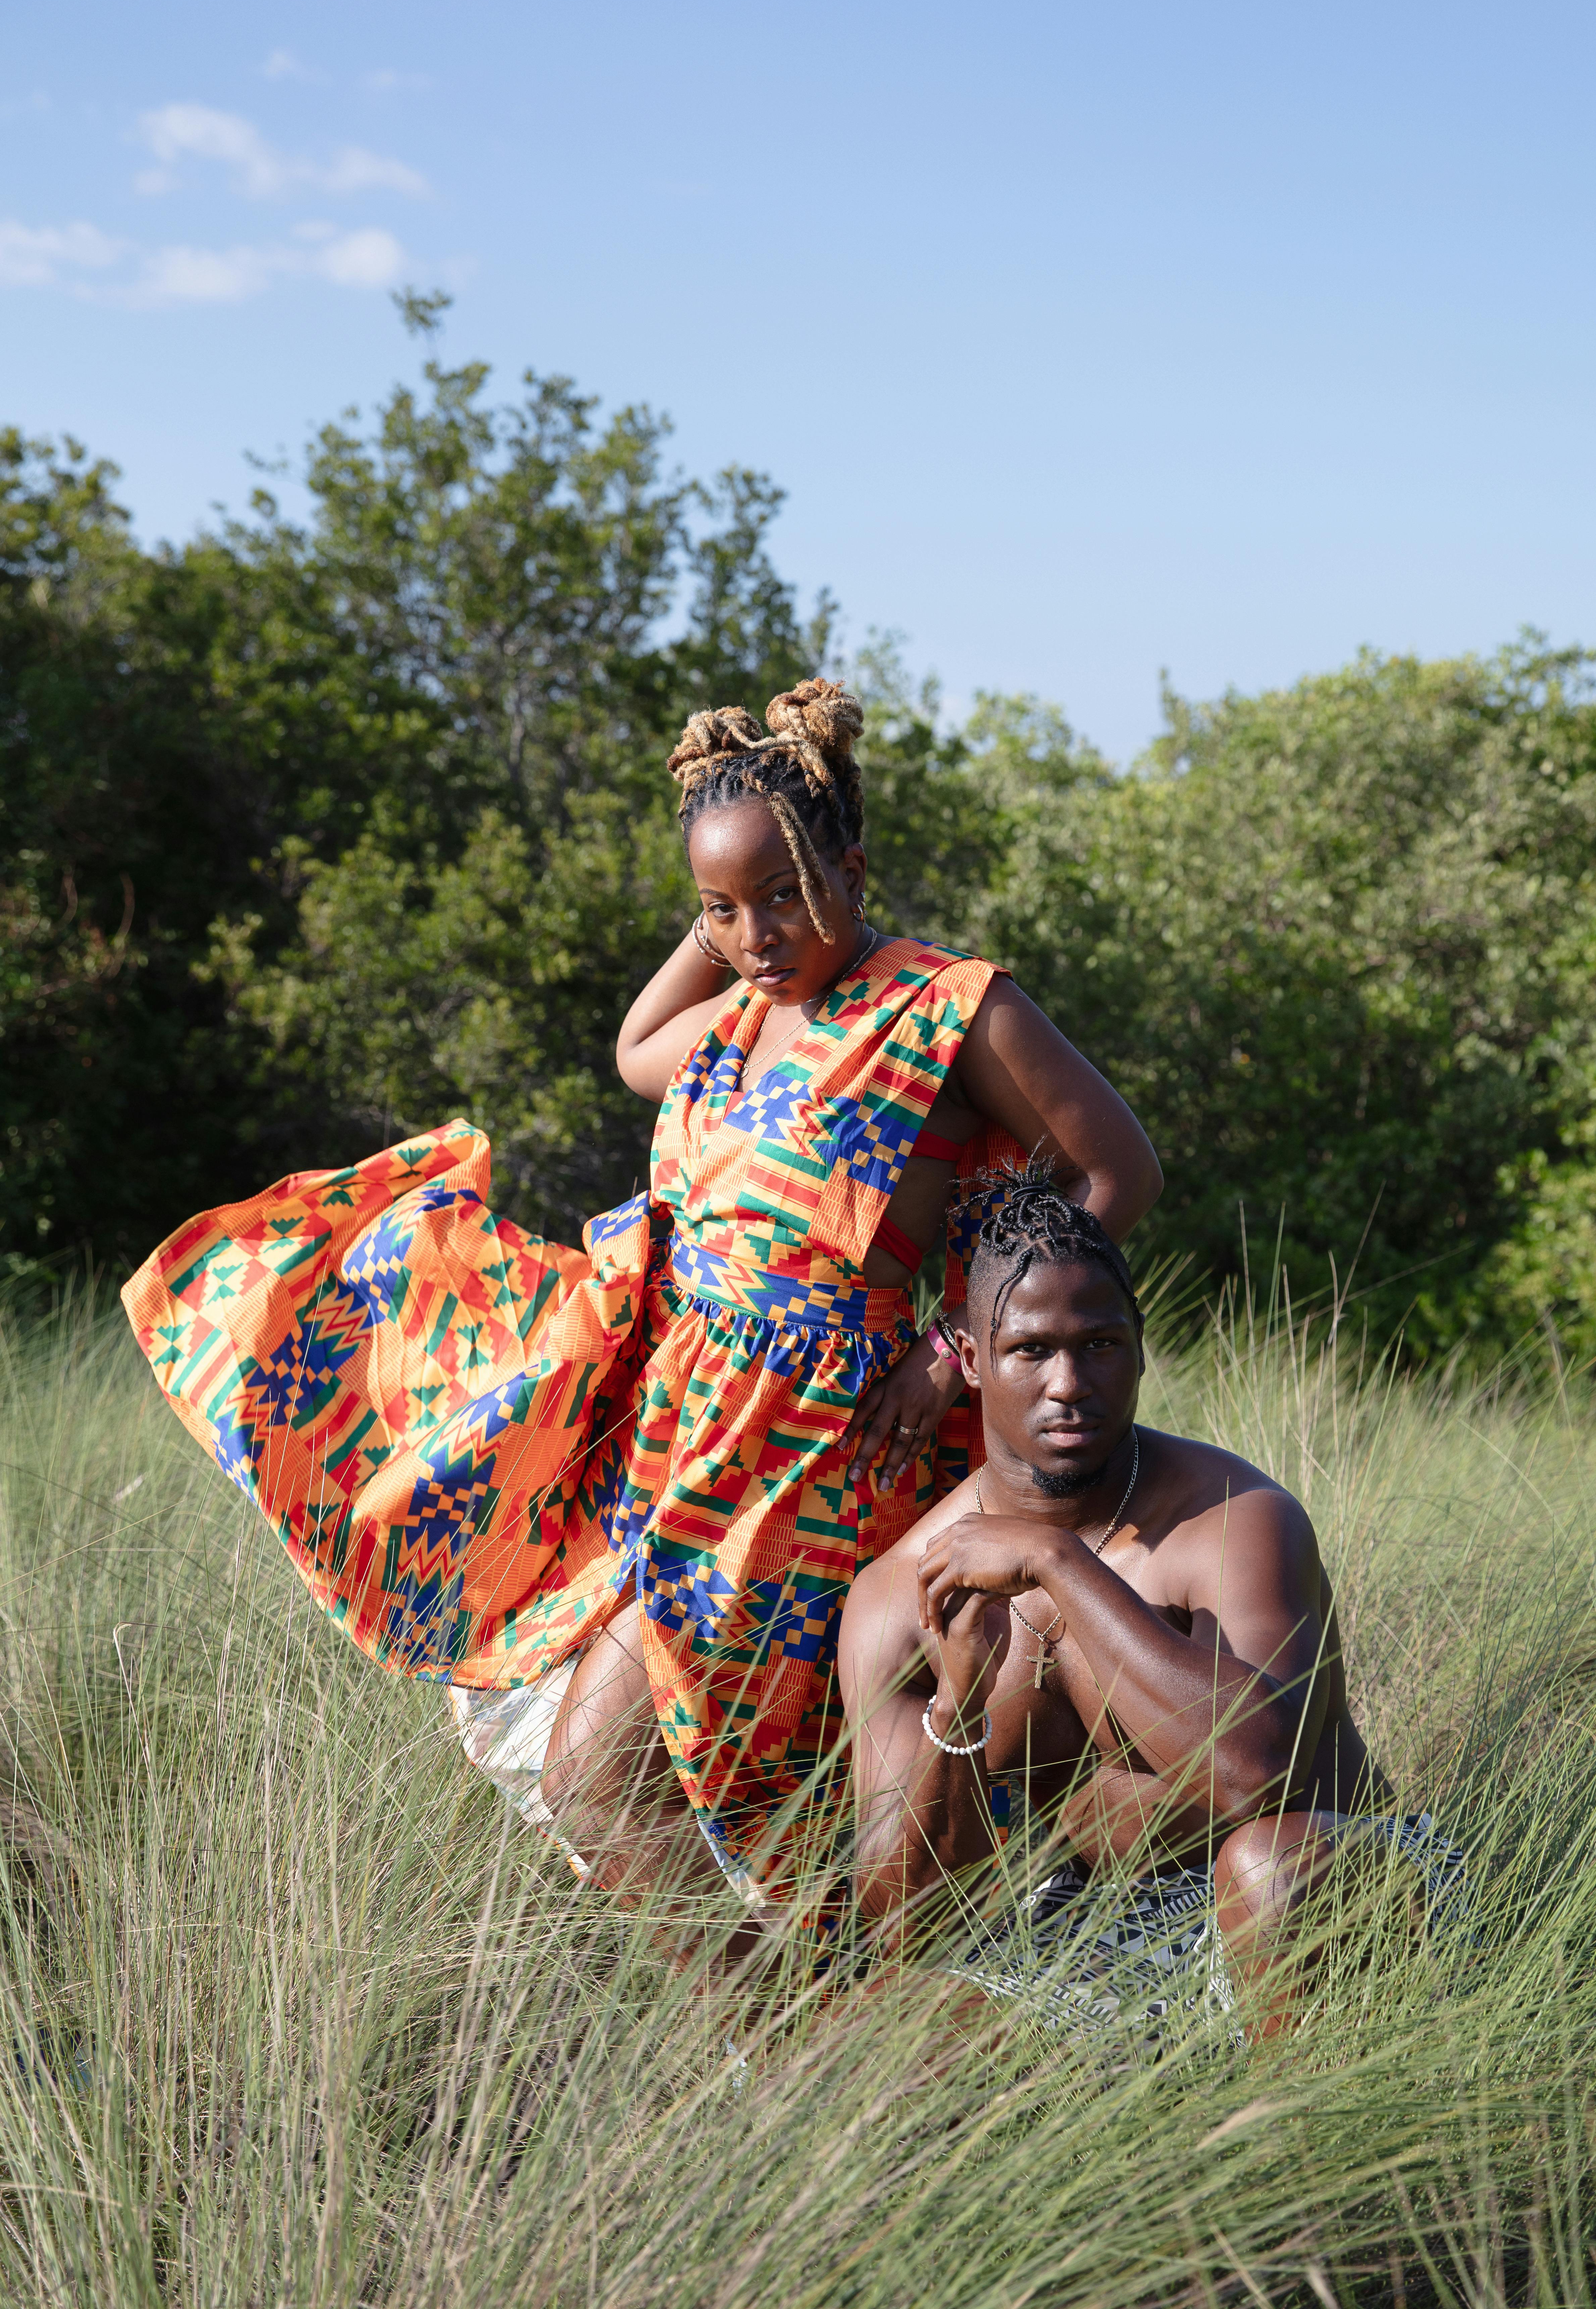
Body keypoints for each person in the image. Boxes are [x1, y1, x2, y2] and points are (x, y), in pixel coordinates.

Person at [121, 680, 1162, 1912]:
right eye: (724, 910)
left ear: (855, 865)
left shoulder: (947, 1007)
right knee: (648, 1773)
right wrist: (726, 906)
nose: (761, 934)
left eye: (789, 894)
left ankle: (795, 2043)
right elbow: (634, 1049)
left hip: (815, 1446)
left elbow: (1118, 1169)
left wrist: (955, 1351)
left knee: (620, 1772)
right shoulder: (737, 1020)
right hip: (671, 1425)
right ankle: (799, 2039)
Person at [839, 1172, 1466, 2037]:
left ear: (1139, 1347)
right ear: (972, 1360)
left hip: (1331, 1886)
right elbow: (910, 1924)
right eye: (1031, 1350)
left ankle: (1304, 2156)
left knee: (1270, 1871)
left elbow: (1259, 1775)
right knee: (884, 2028)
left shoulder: (1235, 1521)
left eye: (1100, 1345)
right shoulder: (901, 1593)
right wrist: (958, 1704)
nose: (1069, 1383)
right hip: (1090, 1938)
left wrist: (1057, 1562)